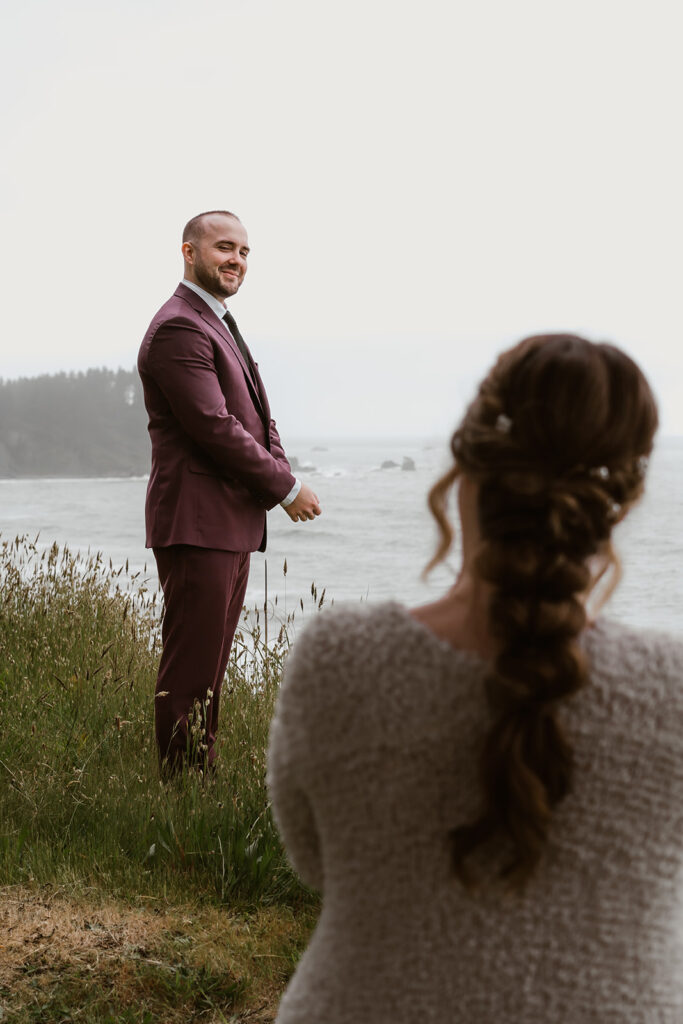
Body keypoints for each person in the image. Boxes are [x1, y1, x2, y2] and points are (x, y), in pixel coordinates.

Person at [267, 334, 683, 1022]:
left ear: (465, 465)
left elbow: (318, 863)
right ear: (621, 502)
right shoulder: (671, 689)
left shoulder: (338, 660)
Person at [138, 209, 321, 774]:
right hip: (198, 523)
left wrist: (279, 465)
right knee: (191, 670)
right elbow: (215, 425)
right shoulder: (179, 326)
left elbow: (259, 417)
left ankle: (199, 780)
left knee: (210, 669)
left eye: (243, 251)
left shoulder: (217, 321)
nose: (236, 260)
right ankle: (181, 789)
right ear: (189, 252)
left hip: (227, 522)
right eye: (224, 247)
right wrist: (286, 488)